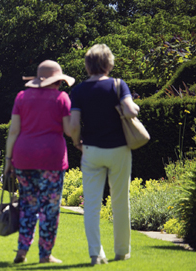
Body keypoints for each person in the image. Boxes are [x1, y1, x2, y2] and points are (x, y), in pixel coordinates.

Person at [69, 44, 139, 265]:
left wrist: (77, 142)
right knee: (120, 201)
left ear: (87, 65)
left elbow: (73, 126)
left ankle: (96, 254)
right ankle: (121, 251)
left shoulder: (78, 90)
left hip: (91, 150)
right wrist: (135, 108)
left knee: (91, 204)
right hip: (119, 149)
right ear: (109, 63)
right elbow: (129, 110)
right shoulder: (118, 85)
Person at [4, 60, 74, 264]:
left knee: (27, 205)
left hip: (24, 157)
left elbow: (14, 131)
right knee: (49, 208)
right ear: (56, 81)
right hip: (51, 158)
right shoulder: (62, 98)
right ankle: (45, 254)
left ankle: (22, 250)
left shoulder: (22, 97)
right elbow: (69, 130)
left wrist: (8, 159)